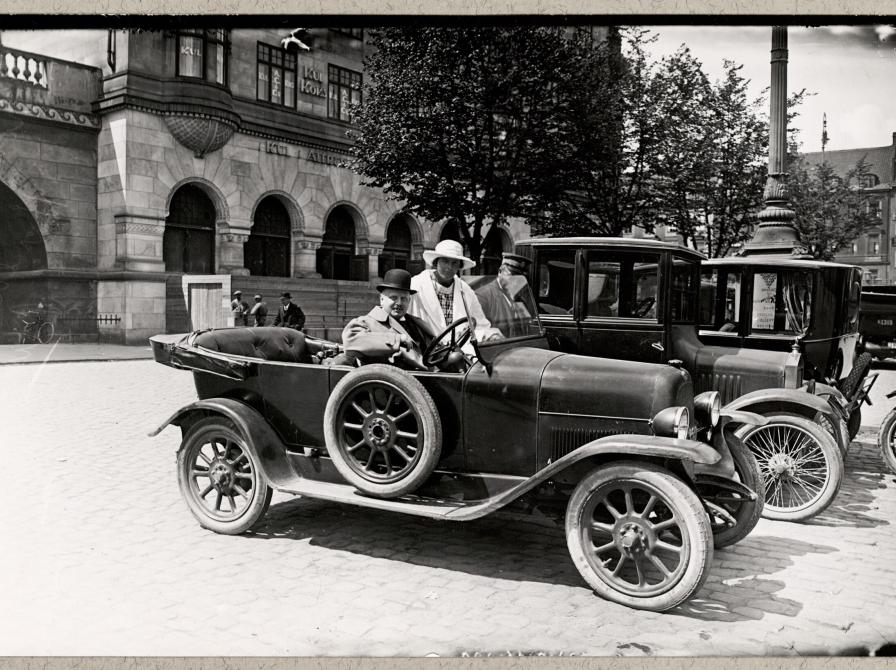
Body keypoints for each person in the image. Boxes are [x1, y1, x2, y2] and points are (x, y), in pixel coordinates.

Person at [338, 268, 435, 370]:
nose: (399, 303)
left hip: (427, 378)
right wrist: (397, 339)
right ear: (382, 299)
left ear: (409, 301)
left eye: (404, 299)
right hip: (388, 382)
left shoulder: (417, 324)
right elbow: (351, 341)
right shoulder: (366, 322)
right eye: (393, 298)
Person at [408, 239, 502, 342]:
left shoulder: (465, 290)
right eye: (445, 261)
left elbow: (480, 324)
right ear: (436, 262)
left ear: (460, 266)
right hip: (425, 350)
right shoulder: (416, 286)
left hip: (461, 350)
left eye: (454, 263)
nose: (449, 267)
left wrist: (490, 335)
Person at [475, 253, 535, 339]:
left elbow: (526, 329)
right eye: (512, 276)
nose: (515, 282)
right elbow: (476, 330)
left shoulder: (520, 300)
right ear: (500, 272)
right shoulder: (483, 296)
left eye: (519, 278)